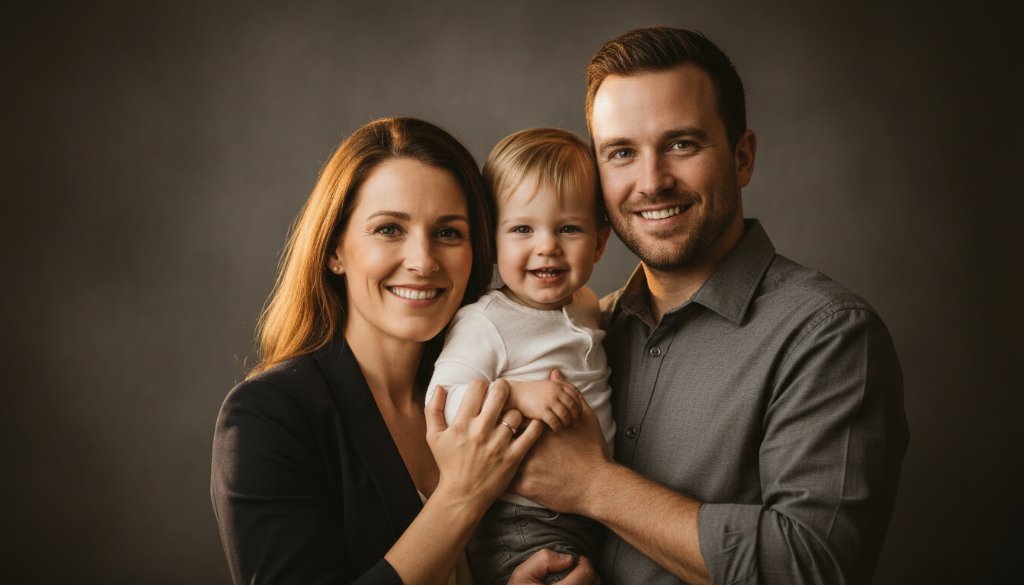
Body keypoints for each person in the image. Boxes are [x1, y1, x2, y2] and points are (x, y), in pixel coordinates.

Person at [512, 27, 910, 585]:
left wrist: (595, 486)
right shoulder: (590, 330)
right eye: (622, 152)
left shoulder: (828, 336)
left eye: (682, 144)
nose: (651, 182)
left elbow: (813, 568)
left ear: (742, 158)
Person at [211, 117, 597, 585]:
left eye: (449, 233)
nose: (423, 261)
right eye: (389, 229)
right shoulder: (269, 416)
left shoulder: (493, 384)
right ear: (335, 249)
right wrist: (460, 496)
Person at [426, 128, 615, 585]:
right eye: (523, 229)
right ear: (492, 241)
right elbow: (443, 399)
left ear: (600, 242)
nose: (546, 245)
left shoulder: (587, 304)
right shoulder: (486, 320)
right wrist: (517, 395)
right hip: (521, 521)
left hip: (593, 509)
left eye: (568, 228)